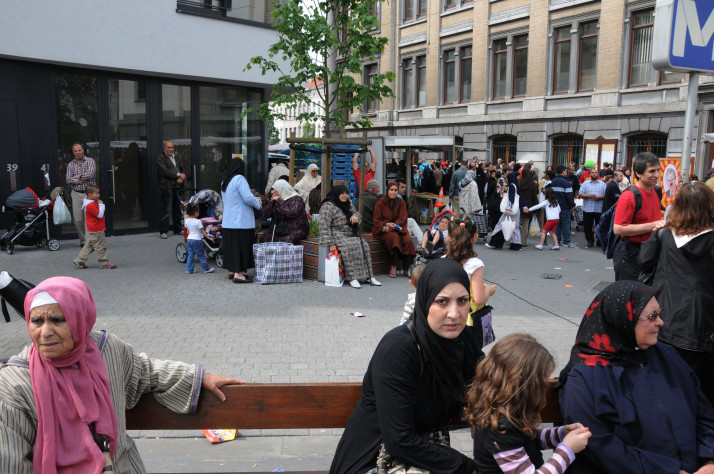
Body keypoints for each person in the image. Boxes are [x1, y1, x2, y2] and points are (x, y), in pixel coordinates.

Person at [0, 276, 242, 473]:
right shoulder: (14, 384)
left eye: (57, 320)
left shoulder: (106, 349)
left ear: (80, 319)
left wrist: (198, 378)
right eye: (36, 321)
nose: (45, 332)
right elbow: (10, 463)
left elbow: (146, 370)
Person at [329, 258, 482, 474]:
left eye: (463, 300)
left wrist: (482, 412)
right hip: (372, 460)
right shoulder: (399, 349)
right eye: (442, 301)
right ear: (425, 299)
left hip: (422, 457)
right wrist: (468, 467)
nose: (455, 314)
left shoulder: (464, 340)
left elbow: (486, 385)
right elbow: (399, 441)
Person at [557, 280, 714, 474]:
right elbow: (599, 446)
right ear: (622, 319)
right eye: (651, 316)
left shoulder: (667, 355)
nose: (660, 322)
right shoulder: (585, 375)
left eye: (660, 313)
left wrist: (709, 460)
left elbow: (703, 411)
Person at [466, 334, 591, 474]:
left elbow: (529, 439)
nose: (544, 390)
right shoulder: (500, 429)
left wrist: (561, 434)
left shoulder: (506, 411)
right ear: (524, 386)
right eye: (542, 384)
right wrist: (567, 450)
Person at [640, 181, 714, 407]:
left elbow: (644, 263)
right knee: (702, 393)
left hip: (665, 321)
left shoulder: (663, 235)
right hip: (705, 327)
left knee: (664, 386)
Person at [612, 152, 667, 281]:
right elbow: (618, 229)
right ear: (638, 173)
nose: (657, 175)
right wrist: (653, 226)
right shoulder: (629, 196)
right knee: (630, 297)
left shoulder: (656, 191)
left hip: (649, 251)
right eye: (652, 171)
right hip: (631, 254)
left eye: (658, 170)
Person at [319, 185, 381, 289]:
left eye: (346, 193)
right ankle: (352, 277)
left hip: (349, 233)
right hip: (337, 234)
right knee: (349, 247)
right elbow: (324, 226)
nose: (345, 195)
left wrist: (355, 216)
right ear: (336, 194)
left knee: (364, 245)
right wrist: (331, 243)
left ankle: (369, 276)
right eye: (342, 193)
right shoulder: (327, 206)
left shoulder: (347, 204)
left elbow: (356, 213)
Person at [446, 215, 497, 329]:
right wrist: (488, 290)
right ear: (475, 237)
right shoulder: (474, 264)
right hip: (467, 321)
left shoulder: (443, 259)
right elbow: (479, 299)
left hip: (446, 318)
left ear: (448, 236)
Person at [221, 158, 262, 283]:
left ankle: (232, 271)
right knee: (240, 247)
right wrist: (258, 204)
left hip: (228, 221)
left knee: (232, 247)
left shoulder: (225, 182)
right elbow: (248, 197)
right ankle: (239, 274)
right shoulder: (240, 179)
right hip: (240, 221)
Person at [372, 182, 416, 278]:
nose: (393, 192)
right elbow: (377, 220)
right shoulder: (380, 203)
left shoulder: (401, 202)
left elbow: (403, 218)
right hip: (385, 229)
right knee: (394, 239)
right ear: (388, 191)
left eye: (395, 190)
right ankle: (393, 266)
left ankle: (406, 267)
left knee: (408, 241)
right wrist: (386, 225)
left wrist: (394, 225)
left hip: (398, 227)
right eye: (391, 190)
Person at [72, 186, 117, 270]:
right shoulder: (90, 205)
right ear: (89, 194)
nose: (98, 195)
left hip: (94, 229)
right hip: (96, 229)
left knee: (89, 245)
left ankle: (79, 260)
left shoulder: (91, 202)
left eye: (98, 193)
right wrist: (101, 205)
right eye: (96, 193)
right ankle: (104, 263)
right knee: (101, 246)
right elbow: (99, 215)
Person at [487, 164, 525, 251]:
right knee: (515, 226)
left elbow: (510, 197)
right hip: (516, 209)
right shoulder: (516, 185)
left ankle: (495, 243)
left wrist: (508, 208)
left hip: (510, 210)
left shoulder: (511, 185)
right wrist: (524, 206)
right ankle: (516, 245)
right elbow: (521, 196)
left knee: (500, 224)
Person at [66, 143, 97, 246]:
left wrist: (77, 177)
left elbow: (91, 174)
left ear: (83, 150)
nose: (78, 152)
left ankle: (89, 242)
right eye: (75, 151)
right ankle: (83, 240)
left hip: (89, 195)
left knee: (89, 219)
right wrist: (83, 178)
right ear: (73, 152)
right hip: (76, 194)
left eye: (79, 150)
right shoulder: (71, 164)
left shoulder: (90, 161)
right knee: (78, 220)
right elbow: (68, 179)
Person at [263, 179, 309, 244]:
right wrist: (272, 203)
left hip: (295, 229)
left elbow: (291, 213)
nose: (274, 194)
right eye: (273, 193)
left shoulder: (296, 199)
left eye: (275, 192)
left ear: (281, 189)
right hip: (281, 229)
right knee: (265, 237)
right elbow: (265, 214)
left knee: (284, 240)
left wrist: (279, 201)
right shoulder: (277, 200)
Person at [156, 140, 187, 239]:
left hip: (177, 187)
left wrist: (182, 177)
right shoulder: (160, 158)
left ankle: (177, 229)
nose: (171, 149)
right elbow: (165, 171)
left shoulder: (176, 156)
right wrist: (178, 175)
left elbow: (183, 168)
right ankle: (163, 231)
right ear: (164, 148)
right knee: (167, 210)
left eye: (172, 147)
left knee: (177, 210)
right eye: (169, 147)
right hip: (167, 187)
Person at [547, 165, 576, 248]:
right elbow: (569, 195)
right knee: (566, 224)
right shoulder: (566, 182)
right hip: (564, 206)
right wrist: (572, 205)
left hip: (555, 206)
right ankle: (567, 241)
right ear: (563, 171)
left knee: (558, 224)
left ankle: (557, 240)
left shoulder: (553, 181)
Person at [578, 168, 607, 248]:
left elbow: (606, 195)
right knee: (587, 226)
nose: (594, 174)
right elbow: (580, 194)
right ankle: (590, 240)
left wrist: (600, 197)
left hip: (599, 208)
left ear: (598, 174)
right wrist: (589, 195)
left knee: (600, 226)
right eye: (593, 172)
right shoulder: (585, 183)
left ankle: (599, 240)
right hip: (588, 208)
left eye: (596, 172)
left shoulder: (602, 184)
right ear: (590, 174)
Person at [183, 202, 215, 274]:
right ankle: (206, 269)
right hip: (197, 240)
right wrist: (209, 238)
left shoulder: (187, 221)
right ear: (195, 212)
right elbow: (203, 232)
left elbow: (188, 231)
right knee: (201, 255)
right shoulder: (198, 221)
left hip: (189, 240)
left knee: (190, 255)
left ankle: (189, 269)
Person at [519, 164, 539, 245]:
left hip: (519, 204)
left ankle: (514, 240)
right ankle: (523, 241)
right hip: (528, 206)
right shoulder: (533, 184)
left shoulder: (519, 182)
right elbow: (534, 196)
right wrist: (535, 209)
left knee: (516, 223)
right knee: (525, 224)